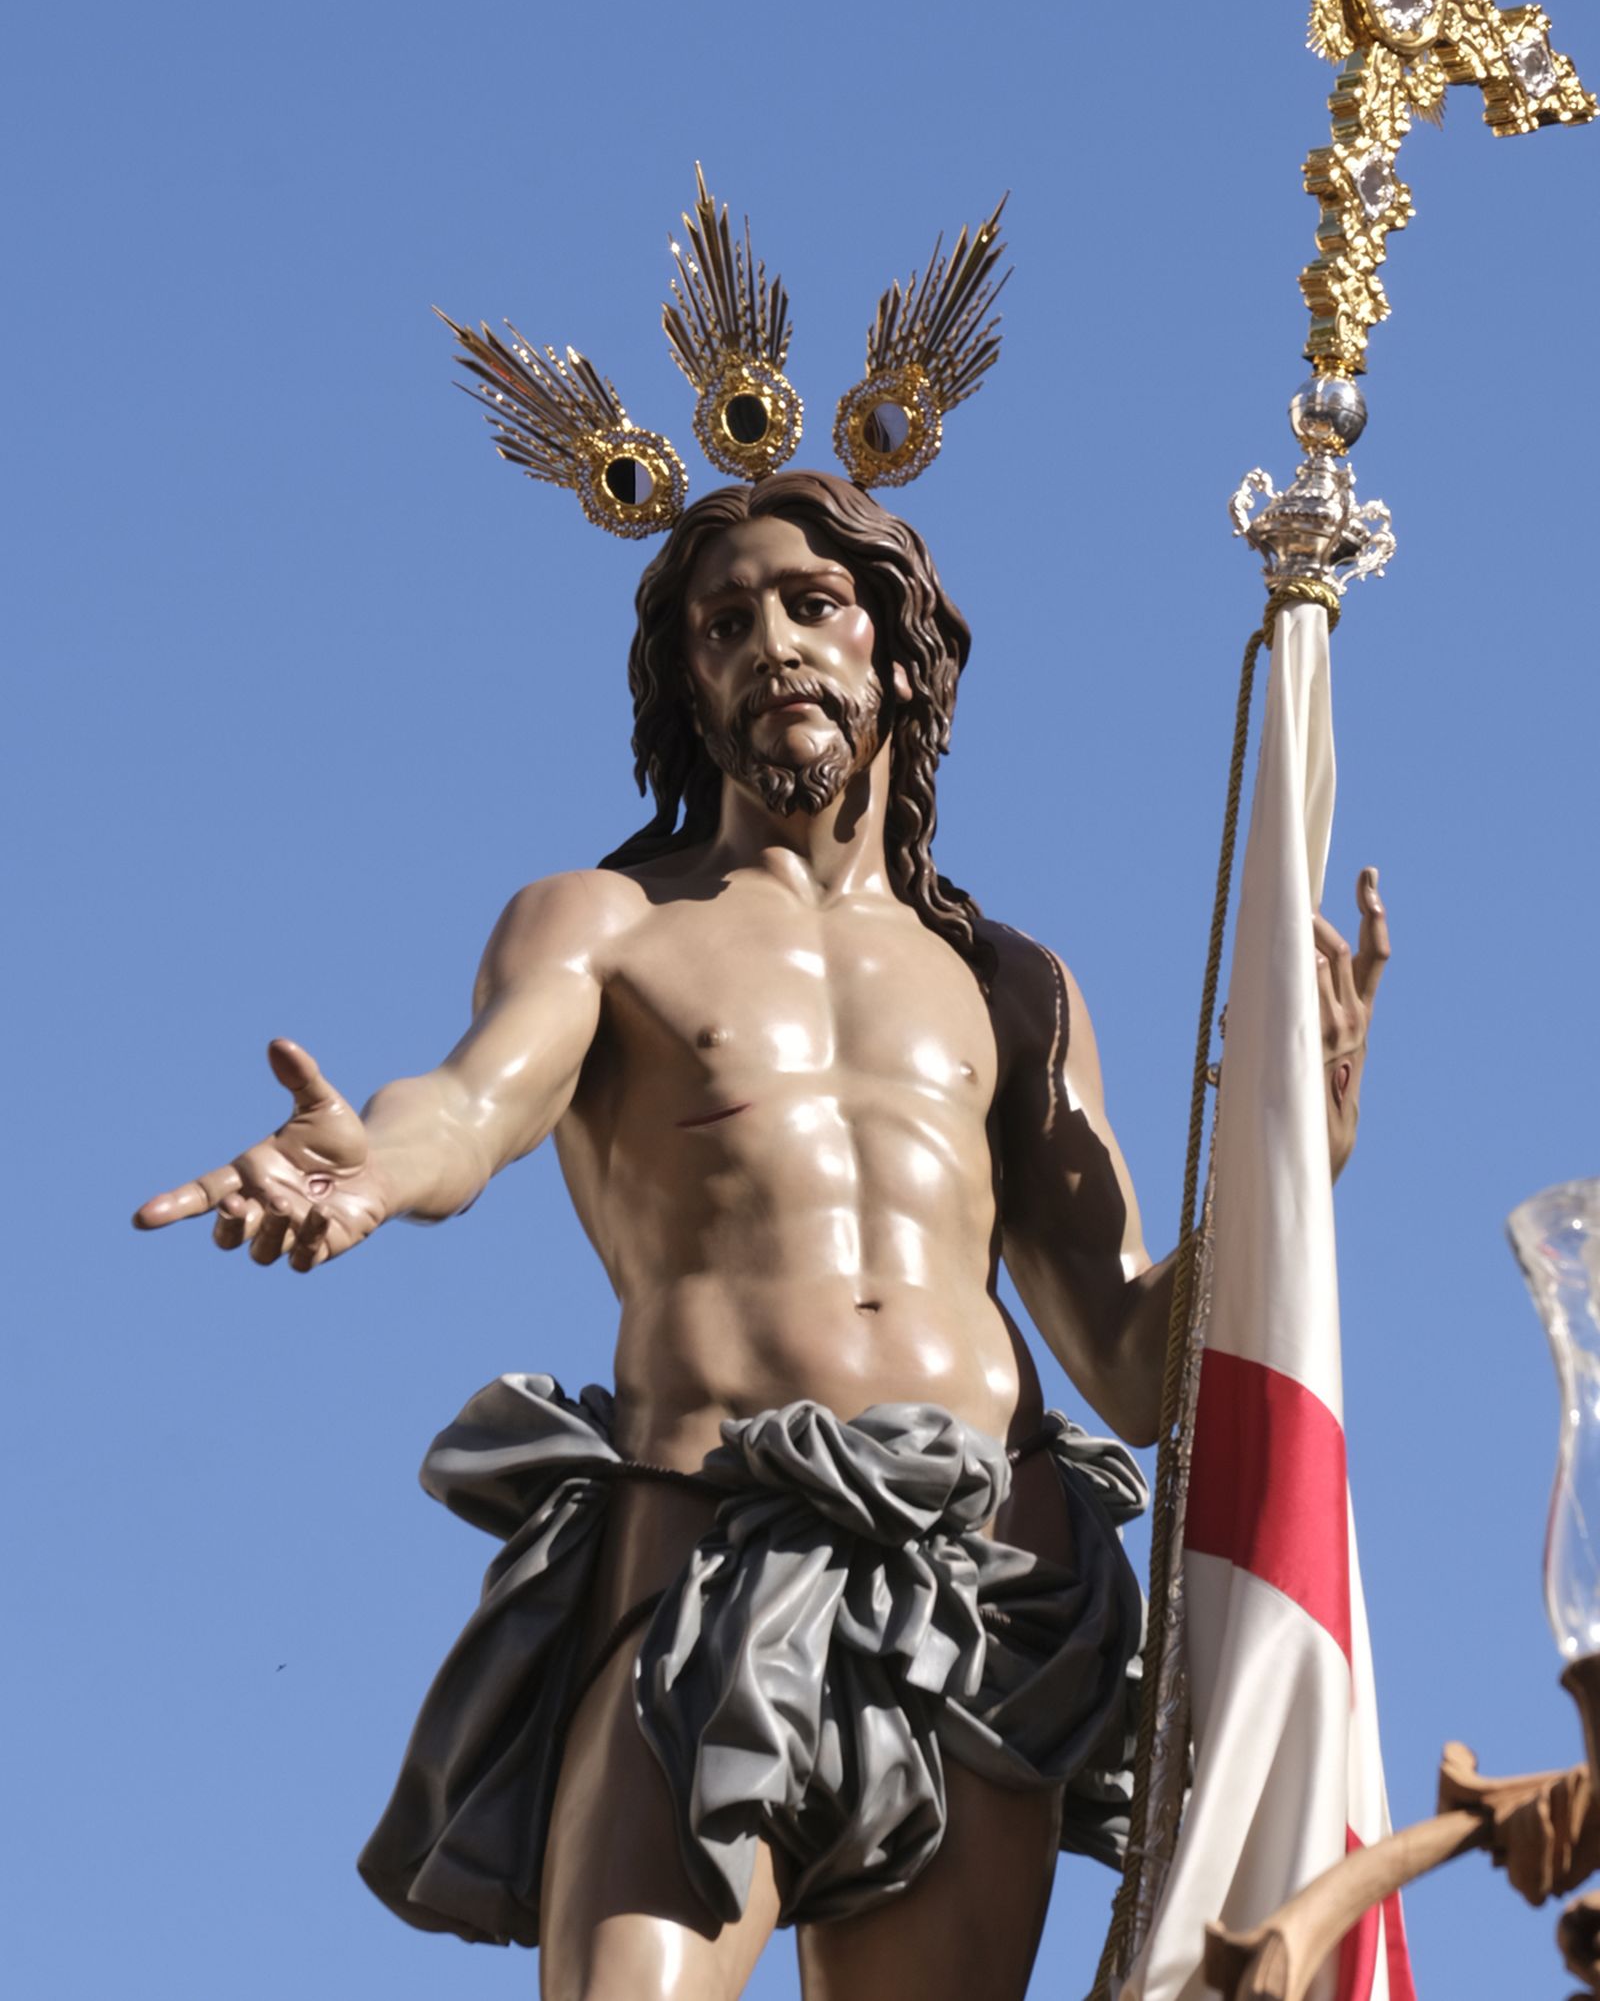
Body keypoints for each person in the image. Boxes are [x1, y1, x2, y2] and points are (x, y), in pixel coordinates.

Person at [134, 469, 1387, 2001]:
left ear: (895, 652)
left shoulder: (1009, 982)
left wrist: (1290, 1171)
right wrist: (372, 1171)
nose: (774, 642)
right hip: (710, 1547)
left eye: (813, 603)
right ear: (688, 679)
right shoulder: (607, 920)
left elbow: (1134, 1358)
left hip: (986, 1578)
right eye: (727, 622)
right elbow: (472, 1105)